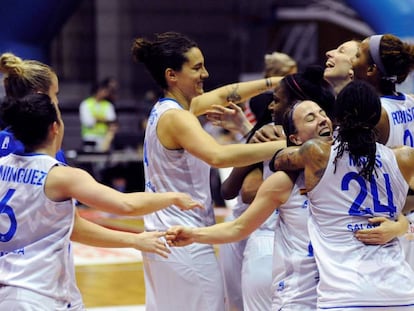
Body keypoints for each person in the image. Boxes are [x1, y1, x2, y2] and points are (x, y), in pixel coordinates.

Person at [0, 52, 203, 310]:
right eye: (56, 95)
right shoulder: (52, 165)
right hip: (40, 289)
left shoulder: (5, 157)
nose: (58, 103)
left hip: (11, 285)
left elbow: (65, 225)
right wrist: (170, 199)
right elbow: (118, 207)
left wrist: (133, 239)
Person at [131, 31, 286, 311]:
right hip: (184, 238)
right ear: (172, 75)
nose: (205, 73)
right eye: (197, 67)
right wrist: (284, 146)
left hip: (164, 234)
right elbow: (218, 155)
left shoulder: (173, 108)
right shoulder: (177, 117)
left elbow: (227, 93)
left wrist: (276, 82)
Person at [273, 80, 414, 310]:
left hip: (344, 294)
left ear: (336, 116)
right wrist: (401, 223)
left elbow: (279, 160)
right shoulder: (404, 157)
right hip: (401, 292)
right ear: (377, 115)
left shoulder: (317, 154)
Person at [79, 77, 118, 152]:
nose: (105, 93)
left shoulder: (108, 105)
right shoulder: (86, 104)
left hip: (104, 139)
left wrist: (97, 118)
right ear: (97, 91)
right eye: (103, 90)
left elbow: (112, 120)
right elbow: (88, 122)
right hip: (89, 139)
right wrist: (104, 120)